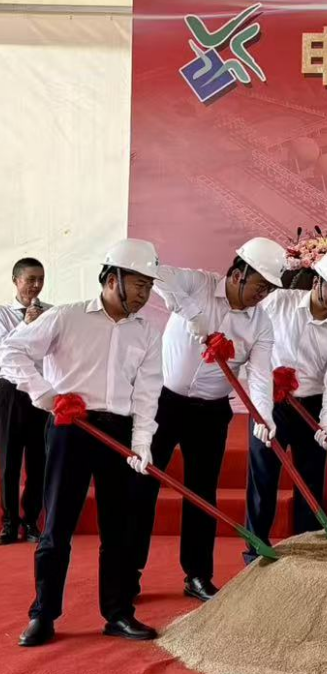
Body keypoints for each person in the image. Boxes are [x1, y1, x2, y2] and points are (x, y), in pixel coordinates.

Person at [0, 240, 163, 647]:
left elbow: (147, 392)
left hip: (118, 433)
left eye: (149, 286)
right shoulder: (67, 316)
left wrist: (142, 443)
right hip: (70, 428)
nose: (144, 294)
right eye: (139, 284)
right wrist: (46, 395)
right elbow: (10, 350)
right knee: (57, 527)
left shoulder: (147, 332)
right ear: (112, 279)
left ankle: (118, 613)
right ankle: (43, 615)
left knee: (119, 529)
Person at [125, 238, 285, 602]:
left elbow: (260, 376)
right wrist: (192, 313)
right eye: (260, 286)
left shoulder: (261, 324)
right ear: (238, 274)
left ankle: (197, 574)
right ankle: (129, 573)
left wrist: (263, 417)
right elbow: (157, 275)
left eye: (269, 290)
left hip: (211, 413)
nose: (262, 296)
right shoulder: (197, 283)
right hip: (163, 404)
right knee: (142, 485)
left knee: (202, 494)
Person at [244, 248, 327, 562]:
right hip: (271, 403)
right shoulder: (279, 302)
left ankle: (308, 551)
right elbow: (250, 338)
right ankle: (255, 551)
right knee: (262, 478)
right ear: (317, 280)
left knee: (310, 481)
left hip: (312, 406)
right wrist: (259, 406)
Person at [0, 257, 51, 544]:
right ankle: (9, 522)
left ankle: (31, 521)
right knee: (8, 460)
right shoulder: (2, 314)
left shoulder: (52, 313)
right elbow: (3, 350)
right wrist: (25, 324)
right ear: (15, 280)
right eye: (30, 279)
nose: (36, 285)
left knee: (38, 459)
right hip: (9, 390)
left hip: (40, 391)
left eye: (40, 279)